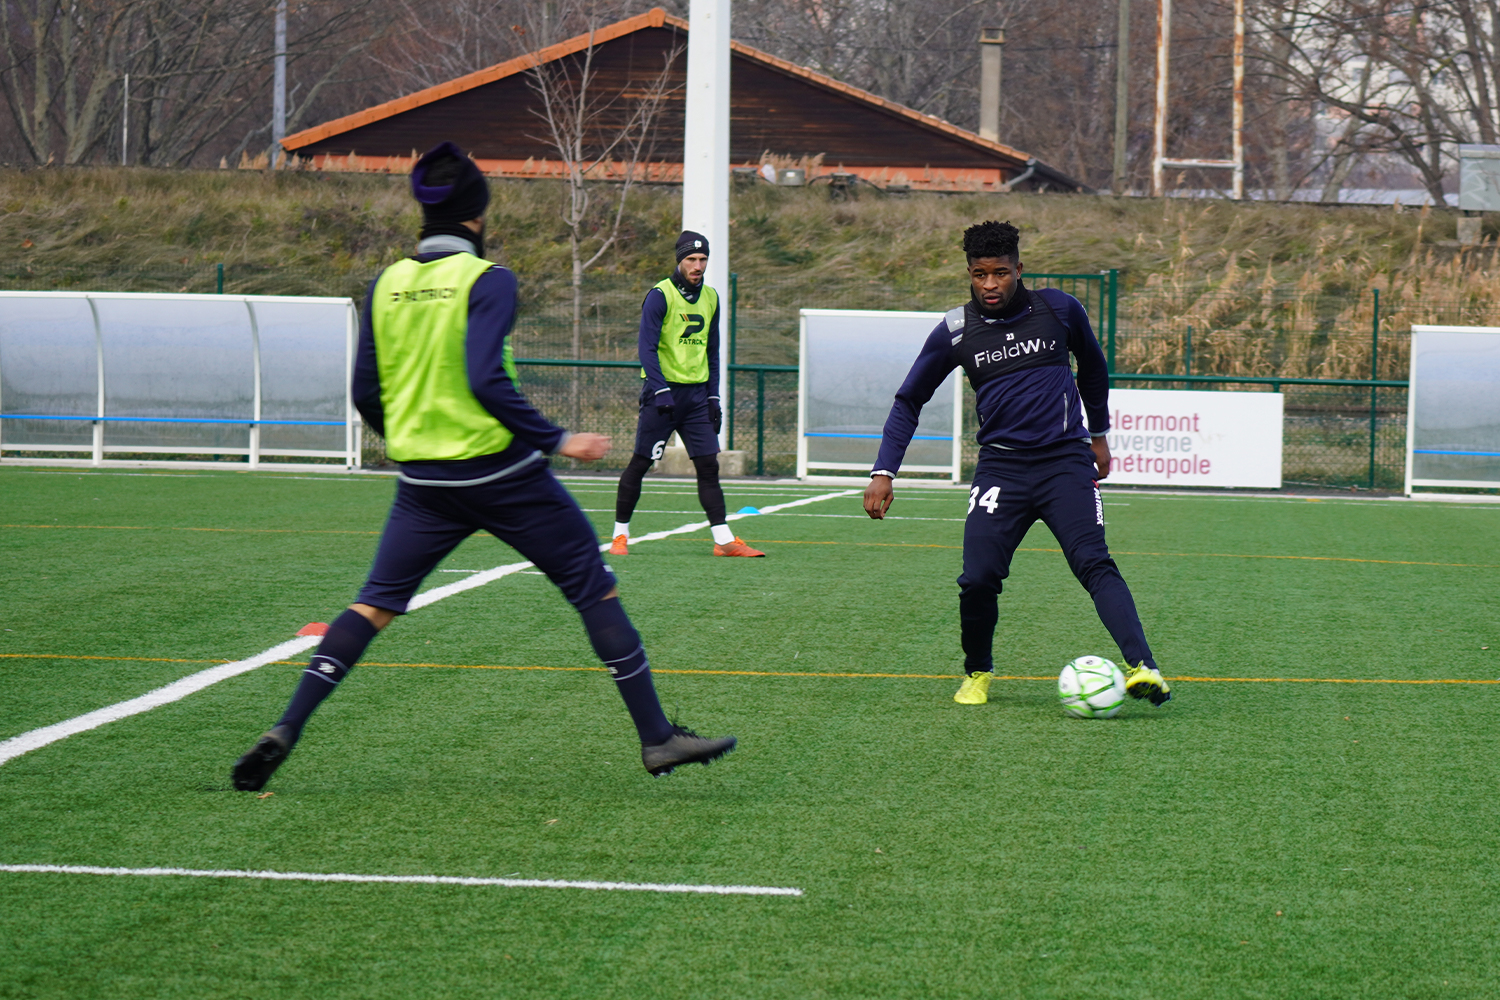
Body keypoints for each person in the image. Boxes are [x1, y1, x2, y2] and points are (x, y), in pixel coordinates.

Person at [231, 142, 736, 791]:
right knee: (594, 589)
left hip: (423, 482)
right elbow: (482, 378)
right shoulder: (489, 280)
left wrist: (412, 441)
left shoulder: (386, 284)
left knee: (373, 605)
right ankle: (657, 737)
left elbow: (365, 393)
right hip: (505, 476)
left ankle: (288, 726)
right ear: (477, 216)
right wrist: (558, 439)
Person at [862, 220, 1170, 708]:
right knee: (978, 578)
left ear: (1019, 269)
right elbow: (909, 400)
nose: (990, 284)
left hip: (1065, 463)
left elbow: (1093, 369)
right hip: (1000, 471)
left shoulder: (1060, 309)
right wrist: (884, 471)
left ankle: (1143, 666)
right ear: (969, 273)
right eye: (979, 274)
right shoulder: (955, 331)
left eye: (1000, 273)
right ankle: (978, 672)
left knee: (1093, 562)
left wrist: (1099, 435)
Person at [607, 232, 764, 558]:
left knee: (709, 466)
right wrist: (660, 389)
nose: (698, 265)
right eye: (691, 259)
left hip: (696, 398)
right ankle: (620, 534)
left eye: (703, 259)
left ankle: (724, 541)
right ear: (679, 260)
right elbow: (646, 349)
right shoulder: (660, 295)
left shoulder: (711, 297)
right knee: (641, 463)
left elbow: (713, 352)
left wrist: (713, 398)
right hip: (662, 396)